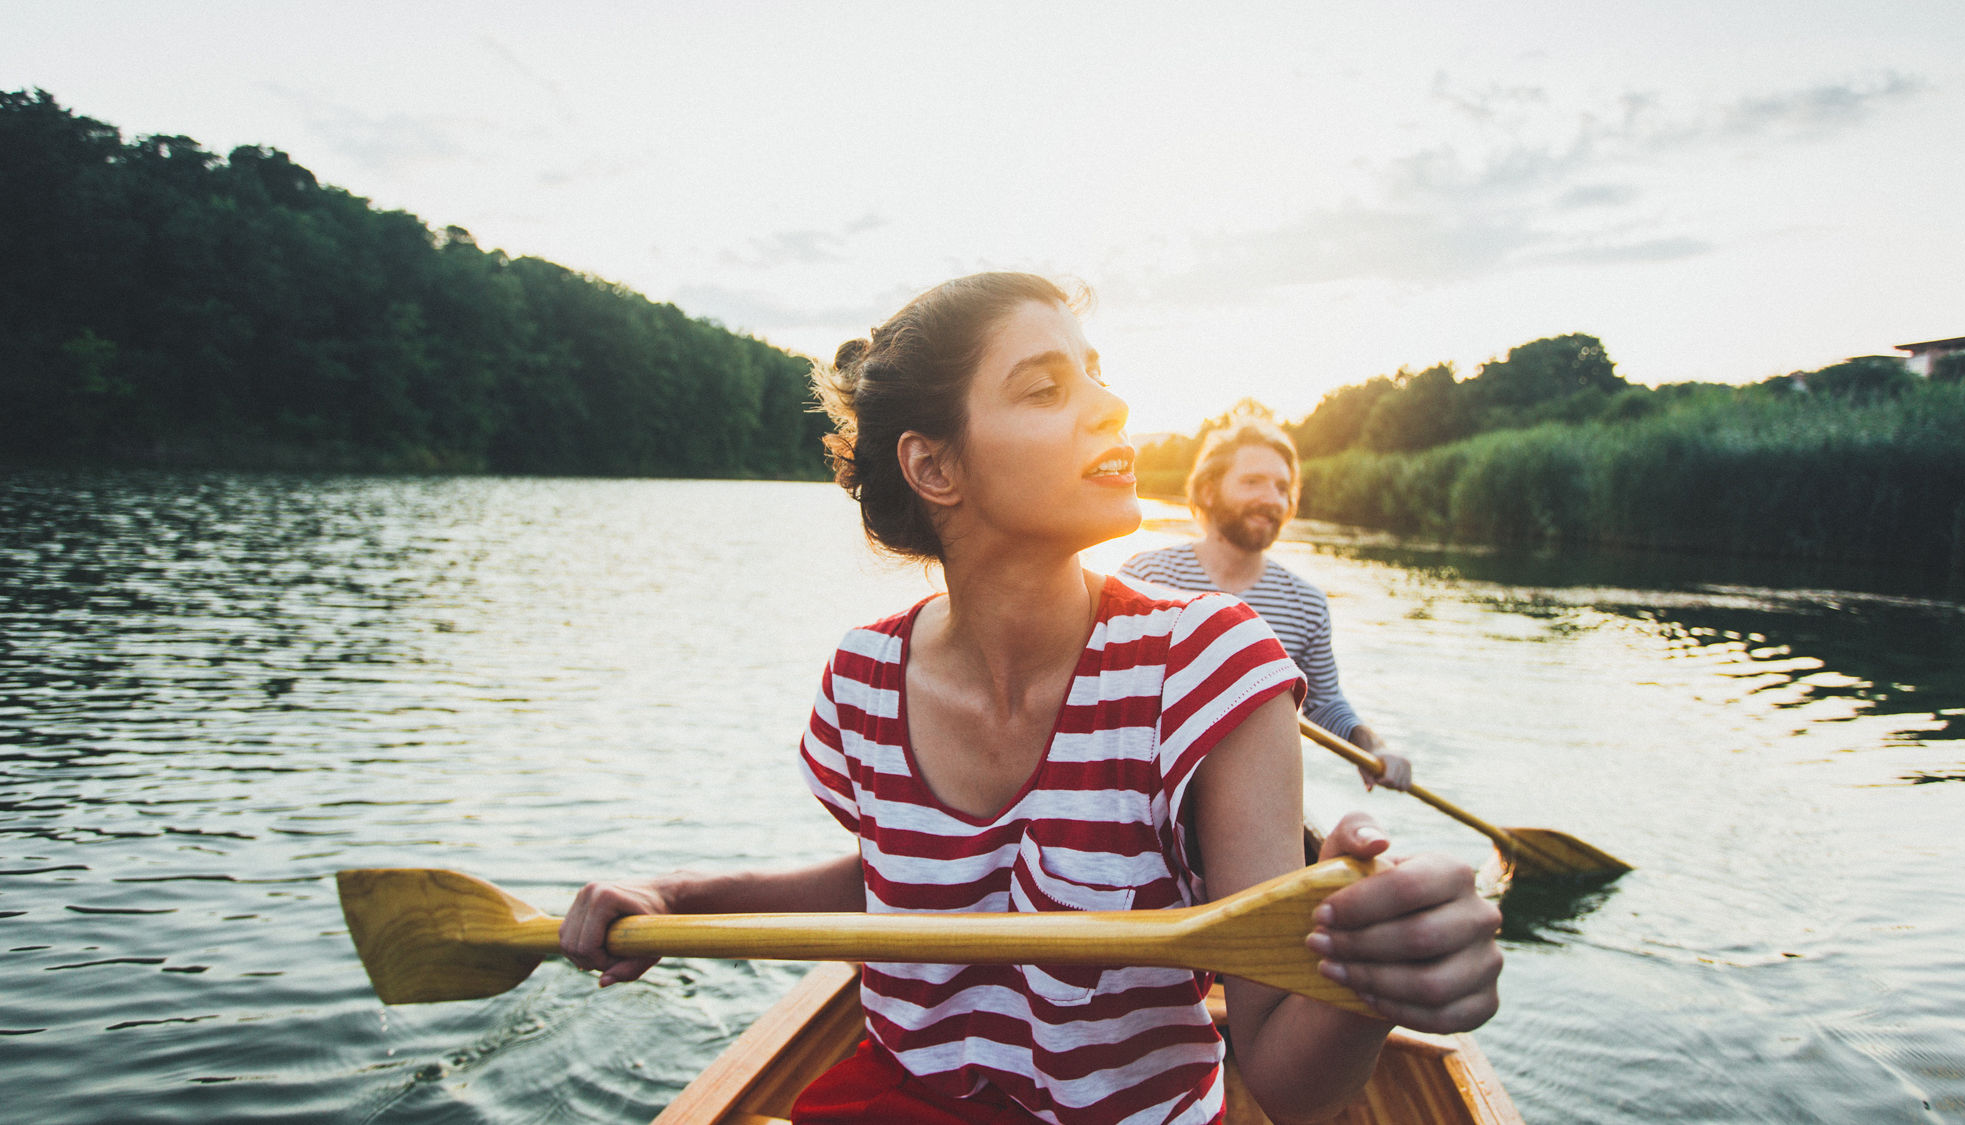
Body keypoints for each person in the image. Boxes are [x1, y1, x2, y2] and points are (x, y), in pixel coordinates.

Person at [559, 273, 1500, 1125]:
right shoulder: (861, 679)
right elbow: (895, 883)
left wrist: (1371, 980)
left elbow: (1287, 1080)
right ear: (935, 469)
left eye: (1096, 376)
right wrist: (675, 895)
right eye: (1047, 388)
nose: (1113, 405)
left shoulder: (1213, 664)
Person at [1119, 422, 1414, 793]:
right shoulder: (1145, 576)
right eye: (1252, 482)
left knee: (1362, 834)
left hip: (1254, 798)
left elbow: (1324, 704)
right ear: (1208, 491)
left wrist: (1373, 747)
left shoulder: (1306, 604)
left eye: (1282, 488)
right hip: (1147, 790)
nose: (1273, 499)